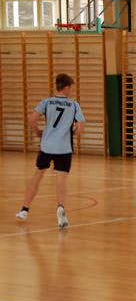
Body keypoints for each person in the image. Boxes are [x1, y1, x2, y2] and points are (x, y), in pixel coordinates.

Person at [15, 73, 86, 228]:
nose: (72, 90)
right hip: (64, 147)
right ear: (66, 87)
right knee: (61, 179)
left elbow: (32, 119)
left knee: (38, 174)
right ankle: (61, 208)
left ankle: (24, 209)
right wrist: (72, 133)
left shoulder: (46, 102)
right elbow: (81, 128)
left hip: (47, 145)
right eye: (71, 88)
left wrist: (38, 132)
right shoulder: (74, 105)